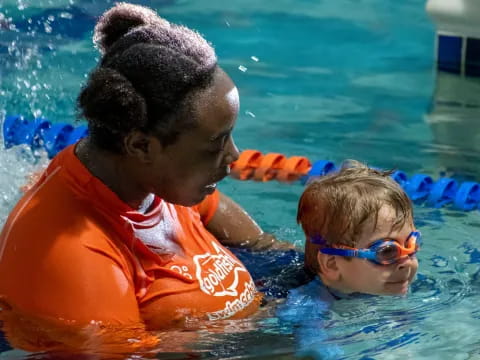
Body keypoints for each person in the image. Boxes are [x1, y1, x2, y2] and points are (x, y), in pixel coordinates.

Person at [0, 2, 291, 352]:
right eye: (215, 143)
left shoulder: (165, 183)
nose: (234, 155)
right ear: (141, 146)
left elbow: (269, 252)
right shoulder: (74, 257)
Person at [277, 161, 421, 359]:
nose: (406, 263)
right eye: (387, 252)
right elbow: (314, 348)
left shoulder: (374, 281)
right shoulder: (308, 305)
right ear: (333, 264)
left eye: (412, 245)